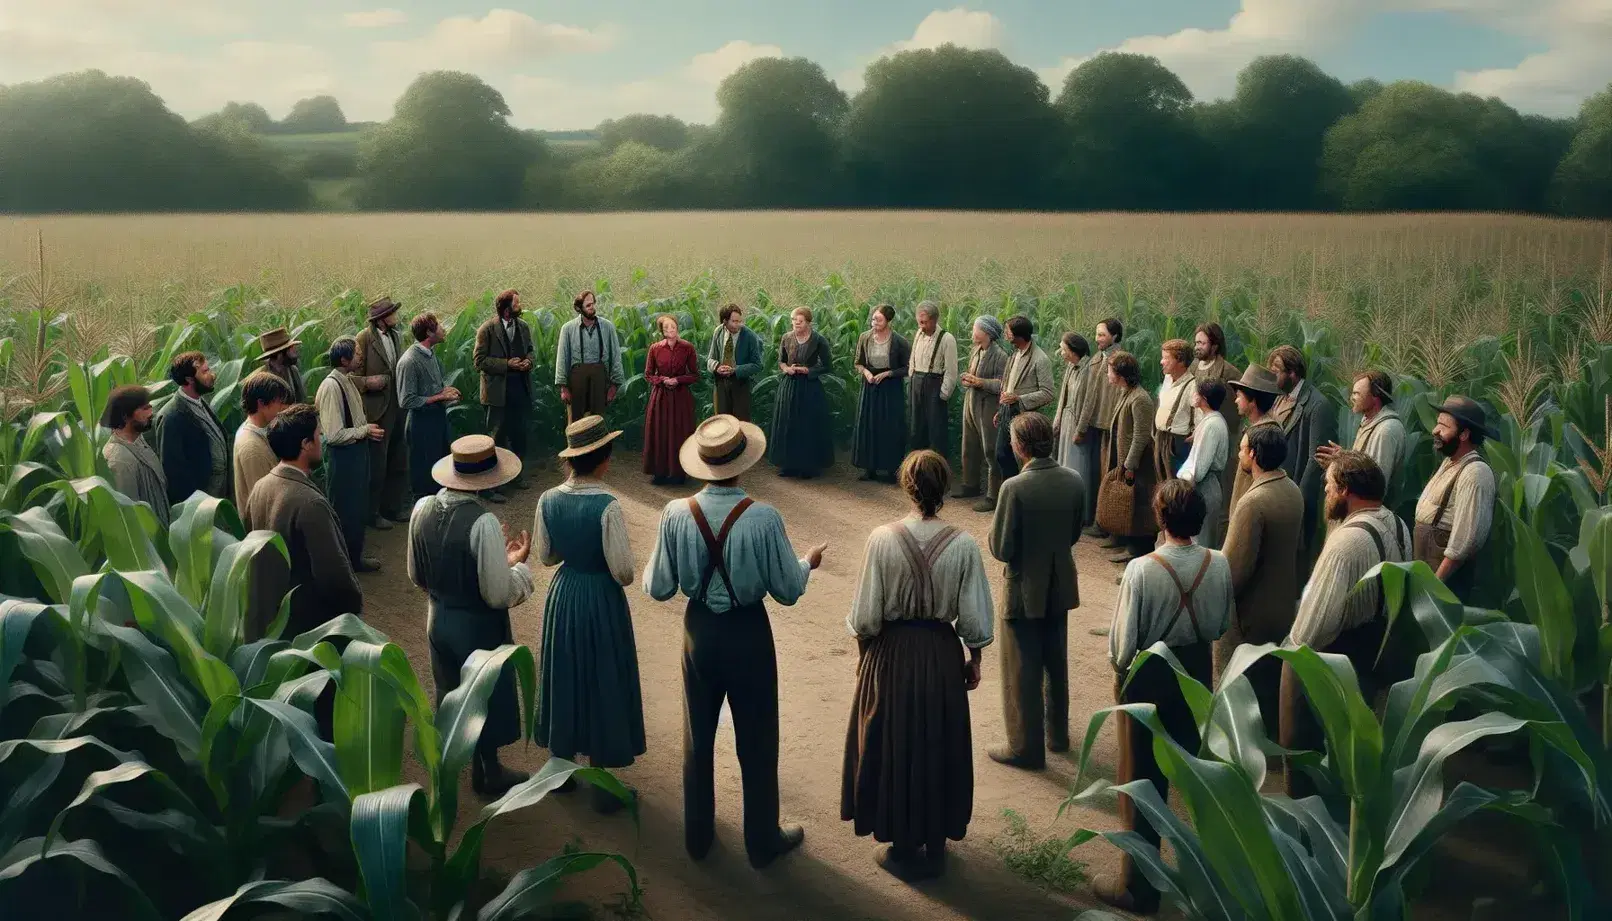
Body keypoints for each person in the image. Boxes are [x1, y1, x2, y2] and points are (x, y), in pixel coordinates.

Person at [642, 414, 828, 869]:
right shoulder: (763, 518)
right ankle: (762, 839)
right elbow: (787, 590)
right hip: (748, 632)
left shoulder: (674, 514)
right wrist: (807, 563)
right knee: (758, 737)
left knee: (697, 735)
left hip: (699, 630)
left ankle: (698, 836)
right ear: (742, 464)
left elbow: (657, 587)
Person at [843, 449, 992, 881]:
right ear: (945, 490)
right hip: (941, 656)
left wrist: (864, 659)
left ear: (906, 487)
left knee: (895, 742)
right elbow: (974, 616)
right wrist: (974, 658)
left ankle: (902, 845)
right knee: (938, 742)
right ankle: (937, 841)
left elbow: (866, 615)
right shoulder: (963, 545)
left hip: (890, 654)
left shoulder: (881, 538)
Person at [1095, 479, 1233, 914]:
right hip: (1194, 672)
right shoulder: (1220, 563)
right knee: (1193, 780)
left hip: (1149, 674)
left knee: (1142, 781)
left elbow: (1122, 644)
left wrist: (1121, 673)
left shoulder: (1142, 568)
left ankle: (1138, 887)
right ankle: (1204, 883)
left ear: (1160, 518)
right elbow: (1220, 625)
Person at [408, 434, 535, 798]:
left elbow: (416, 574)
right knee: (485, 696)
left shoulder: (421, 510)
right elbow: (497, 593)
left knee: (450, 691)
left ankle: (455, 767)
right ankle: (489, 769)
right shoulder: (483, 523)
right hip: (477, 625)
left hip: (438, 616)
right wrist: (517, 567)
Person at [1282, 450, 1412, 798]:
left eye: (1328, 486)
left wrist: (1292, 648)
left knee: (1307, 750)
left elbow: (1315, 624)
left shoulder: (1346, 543)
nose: (1325, 493)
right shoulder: (1398, 525)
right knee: (1350, 748)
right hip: (1374, 650)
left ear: (1345, 490)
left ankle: (1308, 824)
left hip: (1333, 656)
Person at [534, 416, 646, 812]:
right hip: (599, 597)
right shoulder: (607, 505)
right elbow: (624, 572)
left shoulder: (548, 499)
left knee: (564, 672)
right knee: (602, 678)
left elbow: (546, 557)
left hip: (564, 594)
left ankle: (560, 771)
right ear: (604, 458)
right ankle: (601, 782)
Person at [987, 413, 1083, 770]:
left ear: (1021, 447)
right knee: (1055, 661)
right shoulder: (1073, 480)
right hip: (1060, 582)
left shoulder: (1014, 488)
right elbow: (1075, 531)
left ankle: (1025, 747)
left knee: (1021, 667)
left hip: (1024, 585)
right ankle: (1057, 735)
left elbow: (1001, 547)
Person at [245, 404, 363, 641]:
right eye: (319, 435)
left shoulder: (260, 487)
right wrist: (353, 606)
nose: (323, 440)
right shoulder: (310, 504)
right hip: (310, 626)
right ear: (305, 444)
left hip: (277, 617)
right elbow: (333, 574)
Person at [1218, 424, 1303, 729]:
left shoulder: (1253, 502)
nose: (1238, 454)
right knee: (1269, 680)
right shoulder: (1291, 489)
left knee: (1241, 684)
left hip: (1252, 611)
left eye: (1241, 449)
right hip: (1282, 604)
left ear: (1253, 455)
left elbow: (1235, 569)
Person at [1413, 396, 1496, 601]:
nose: (1435, 430)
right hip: (1426, 570)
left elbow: (1462, 543)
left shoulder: (1475, 472)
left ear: (1464, 434)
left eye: (1443, 425)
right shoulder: (1451, 462)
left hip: (1445, 583)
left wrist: (1433, 589)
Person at [316, 337, 385, 572]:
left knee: (356, 510)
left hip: (356, 453)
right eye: (356, 354)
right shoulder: (331, 387)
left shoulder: (346, 380)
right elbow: (334, 434)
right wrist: (364, 430)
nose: (360, 356)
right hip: (343, 458)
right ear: (344, 359)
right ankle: (344, 564)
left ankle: (354, 559)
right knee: (345, 511)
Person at [1268, 345, 1336, 581]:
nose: (1271, 374)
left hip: (1297, 493)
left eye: (1276, 370)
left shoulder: (1318, 406)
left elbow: (1316, 459)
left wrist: (1297, 497)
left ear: (1294, 373)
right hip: (1278, 489)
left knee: (1298, 555)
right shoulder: (1279, 397)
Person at [354, 296, 411, 530]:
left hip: (397, 408)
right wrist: (369, 382)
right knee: (377, 465)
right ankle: (372, 513)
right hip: (376, 411)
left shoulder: (396, 336)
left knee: (398, 460)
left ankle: (393, 507)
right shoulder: (364, 338)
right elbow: (350, 378)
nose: (396, 316)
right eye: (392, 313)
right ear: (382, 319)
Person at [1097, 351, 1159, 564]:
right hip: (1124, 457)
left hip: (1138, 461)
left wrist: (1130, 464)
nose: (1107, 374)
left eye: (1110, 370)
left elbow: (1141, 436)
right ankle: (1123, 539)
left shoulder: (1140, 398)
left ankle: (1136, 548)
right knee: (1126, 501)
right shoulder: (1127, 392)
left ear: (1121, 373)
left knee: (1138, 504)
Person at [474, 289, 536, 503]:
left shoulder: (524, 327)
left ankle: (516, 476)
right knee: (496, 437)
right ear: (506, 308)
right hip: (497, 394)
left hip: (519, 389)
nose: (520, 306)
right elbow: (479, 361)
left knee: (520, 435)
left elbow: (530, 350)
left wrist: (529, 361)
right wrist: (506, 364)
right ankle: (492, 485)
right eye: (517, 303)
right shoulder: (487, 330)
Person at [396, 312, 460, 501]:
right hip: (421, 426)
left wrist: (446, 392)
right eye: (439, 326)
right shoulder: (409, 361)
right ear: (429, 332)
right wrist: (440, 396)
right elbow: (406, 400)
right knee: (425, 474)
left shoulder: (431, 355)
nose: (443, 329)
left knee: (441, 468)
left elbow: (430, 389)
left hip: (437, 420)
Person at [154, 351, 231, 505]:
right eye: (205, 372)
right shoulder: (171, 417)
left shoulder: (199, 401)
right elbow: (174, 473)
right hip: (201, 504)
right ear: (189, 379)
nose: (212, 375)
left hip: (219, 495)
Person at [768, 306, 834, 479]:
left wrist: (809, 370)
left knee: (807, 425)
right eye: (793, 321)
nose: (796, 324)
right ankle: (788, 465)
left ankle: (808, 466)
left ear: (808, 322)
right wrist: (786, 369)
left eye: (800, 322)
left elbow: (828, 366)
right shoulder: (786, 337)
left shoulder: (818, 340)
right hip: (789, 386)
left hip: (809, 388)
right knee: (788, 423)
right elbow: (781, 361)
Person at [992, 315, 1056, 491]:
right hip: (1007, 411)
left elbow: (1048, 393)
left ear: (1019, 336)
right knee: (1002, 454)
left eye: (1008, 332)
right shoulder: (1015, 354)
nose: (1005, 335)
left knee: (1022, 459)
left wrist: (1019, 399)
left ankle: (1023, 495)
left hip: (1024, 416)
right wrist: (1001, 408)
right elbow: (1007, 384)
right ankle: (1011, 493)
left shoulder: (1040, 358)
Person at [1078, 318, 1126, 542]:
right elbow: (1089, 397)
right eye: (1096, 334)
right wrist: (1083, 425)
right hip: (1098, 425)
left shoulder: (1121, 361)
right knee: (1098, 476)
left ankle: (1113, 529)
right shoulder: (1097, 359)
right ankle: (1100, 523)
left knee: (1113, 478)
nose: (1097, 339)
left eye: (1102, 335)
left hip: (1113, 426)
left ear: (1115, 336)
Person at [851, 304, 911, 482]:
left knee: (890, 427)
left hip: (890, 389)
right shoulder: (865, 337)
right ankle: (869, 468)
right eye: (873, 319)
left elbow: (908, 368)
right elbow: (858, 362)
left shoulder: (899, 341)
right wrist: (867, 373)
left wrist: (887, 374)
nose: (874, 322)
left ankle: (891, 468)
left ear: (888, 321)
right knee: (869, 425)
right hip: (870, 387)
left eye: (878, 319)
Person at [955, 316, 1009, 511]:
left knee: (990, 449)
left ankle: (993, 495)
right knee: (969, 445)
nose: (972, 332)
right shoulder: (976, 350)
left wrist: (980, 382)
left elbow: (1003, 384)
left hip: (989, 405)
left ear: (986, 333)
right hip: (972, 402)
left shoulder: (1000, 355)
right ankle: (970, 485)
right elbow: (973, 374)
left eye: (975, 329)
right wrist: (968, 380)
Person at [1316, 370, 1405, 484]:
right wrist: (1344, 457)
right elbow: (1365, 467)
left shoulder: (1386, 430)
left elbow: (1375, 484)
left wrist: (1340, 466)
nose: (1352, 398)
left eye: (1357, 393)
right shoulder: (1369, 421)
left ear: (1375, 396)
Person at [101, 385, 170, 527]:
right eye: (144, 408)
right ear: (125, 416)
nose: (151, 412)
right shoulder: (120, 461)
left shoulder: (138, 440)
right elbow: (130, 518)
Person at [1194, 323, 1242, 521]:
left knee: (1220, 488)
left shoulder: (1229, 373)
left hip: (1220, 436)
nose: (1197, 347)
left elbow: (1235, 412)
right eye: (1196, 342)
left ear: (1214, 346)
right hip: (1195, 434)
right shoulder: (1192, 367)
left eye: (1202, 343)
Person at [643, 314, 699, 485]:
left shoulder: (687, 348)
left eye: (672, 325)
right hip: (660, 397)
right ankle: (659, 472)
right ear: (662, 331)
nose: (670, 329)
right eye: (666, 327)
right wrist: (661, 380)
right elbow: (648, 374)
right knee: (660, 431)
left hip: (681, 397)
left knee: (679, 431)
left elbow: (695, 374)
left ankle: (679, 473)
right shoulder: (655, 348)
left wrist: (678, 380)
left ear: (677, 326)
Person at [556, 290, 625, 425]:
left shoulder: (607, 327)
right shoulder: (568, 329)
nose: (592, 308)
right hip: (577, 380)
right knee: (576, 422)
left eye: (593, 304)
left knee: (598, 420)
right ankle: (577, 446)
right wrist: (563, 387)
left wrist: (614, 386)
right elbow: (562, 357)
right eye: (588, 305)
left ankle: (600, 446)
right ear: (579, 308)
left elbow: (616, 356)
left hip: (599, 378)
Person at [1177, 381, 1230, 550]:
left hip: (1206, 485)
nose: (1193, 395)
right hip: (1204, 484)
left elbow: (1199, 468)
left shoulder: (1212, 425)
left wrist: (1183, 485)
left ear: (1204, 399)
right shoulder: (1210, 421)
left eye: (1196, 393)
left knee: (1201, 541)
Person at [1225, 365, 1284, 514]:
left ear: (1253, 400)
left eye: (1239, 396)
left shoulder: (1265, 433)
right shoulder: (1258, 428)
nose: (1236, 400)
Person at [233, 371, 293, 511]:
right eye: (280, 403)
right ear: (261, 404)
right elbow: (264, 503)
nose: (285, 409)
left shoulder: (259, 430)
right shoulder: (251, 447)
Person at [1052, 332, 1095, 521]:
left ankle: (1081, 515)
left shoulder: (1089, 369)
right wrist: (1057, 420)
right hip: (1067, 421)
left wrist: (1081, 430)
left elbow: (1088, 403)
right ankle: (1066, 510)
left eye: (1064, 349)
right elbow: (1063, 397)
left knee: (1078, 468)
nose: (1061, 353)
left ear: (1074, 350)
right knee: (1064, 464)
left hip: (1078, 424)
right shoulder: (1071, 367)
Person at [907, 300, 958, 456]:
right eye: (919, 321)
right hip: (916, 382)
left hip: (934, 385)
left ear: (935, 320)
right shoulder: (918, 334)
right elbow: (913, 358)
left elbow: (951, 369)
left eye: (925, 322)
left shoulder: (947, 338)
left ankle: (937, 467)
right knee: (916, 427)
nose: (921, 325)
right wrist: (911, 377)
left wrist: (943, 393)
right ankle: (916, 464)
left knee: (936, 429)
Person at [707, 303, 764, 421]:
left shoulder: (749, 336)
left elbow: (758, 365)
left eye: (739, 321)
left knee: (740, 422)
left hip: (740, 384)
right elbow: (710, 358)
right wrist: (717, 367)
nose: (738, 324)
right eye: (734, 321)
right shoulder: (718, 332)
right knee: (722, 422)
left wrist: (736, 370)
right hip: (721, 383)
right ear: (725, 321)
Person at [1153, 339, 1200, 481]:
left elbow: (1200, 416)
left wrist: (1196, 434)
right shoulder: (1167, 379)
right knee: (1160, 482)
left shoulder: (1192, 385)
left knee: (1175, 485)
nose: (1162, 362)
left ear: (1180, 361)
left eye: (1166, 358)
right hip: (1160, 439)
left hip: (1176, 443)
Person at [257, 327, 308, 404]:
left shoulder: (293, 370)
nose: (295, 351)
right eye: (290, 348)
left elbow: (301, 400)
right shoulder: (262, 378)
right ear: (280, 354)